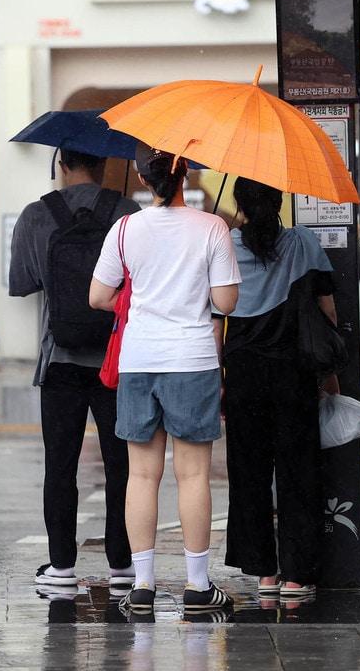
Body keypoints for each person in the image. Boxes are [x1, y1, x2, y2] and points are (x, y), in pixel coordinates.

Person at [89, 147, 241, 615]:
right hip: (192, 358)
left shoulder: (126, 227)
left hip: (139, 358)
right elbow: (227, 302)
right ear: (186, 174)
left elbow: (98, 296)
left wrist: (138, 291)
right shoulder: (212, 227)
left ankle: (143, 584)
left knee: (141, 474)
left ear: (141, 175)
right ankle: (197, 586)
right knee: (192, 473)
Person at [9, 148, 138, 591]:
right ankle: (122, 564)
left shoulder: (34, 215)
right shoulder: (127, 211)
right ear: (104, 164)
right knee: (123, 463)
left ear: (62, 165)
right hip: (117, 359)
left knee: (60, 464)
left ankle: (62, 567)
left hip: (59, 358)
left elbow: (22, 284)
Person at [220, 178, 338, 599]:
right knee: (298, 472)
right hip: (294, 372)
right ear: (280, 200)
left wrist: (218, 378)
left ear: (239, 203)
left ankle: (264, 573)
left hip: (243, 374)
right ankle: (295, 575)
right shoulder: (303, 242)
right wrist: (330, 373)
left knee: (248, 474)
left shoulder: (226, 245)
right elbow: (327, 308)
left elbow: (217, 320)